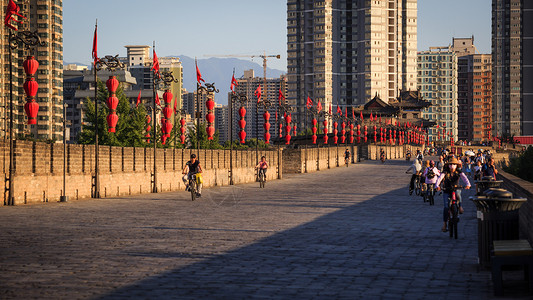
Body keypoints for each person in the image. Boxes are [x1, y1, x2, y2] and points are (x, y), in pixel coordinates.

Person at [435, 157, 471, 232]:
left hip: (455, 188)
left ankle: (460, 206)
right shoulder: (445, 172)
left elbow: (464, 178)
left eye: (454, 164)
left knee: (458, 193)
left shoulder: (458, 171)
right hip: (447, 189)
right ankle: (444, 224)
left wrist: (468, 184)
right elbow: (440, 178)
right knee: (446, 207)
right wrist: (437, 186)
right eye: (451, 164)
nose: (452, 166)